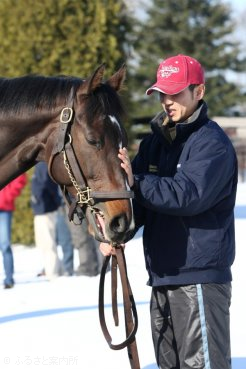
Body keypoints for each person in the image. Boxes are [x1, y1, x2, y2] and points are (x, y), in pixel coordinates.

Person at [100, 54, 238, 369]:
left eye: (175, 92)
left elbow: (188, 195)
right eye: (163, 92)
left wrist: (138, 182)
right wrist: (116, 229)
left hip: (199, 278)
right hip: (162, 275)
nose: (167, 100)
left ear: (198, 92)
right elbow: (135, 201)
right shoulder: (153, 145)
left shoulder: (211, 144)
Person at [31, 162, 74, 280]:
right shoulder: (39, 165)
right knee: (44, 243)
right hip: (41, 209)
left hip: (46, 209)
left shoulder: (42, 165)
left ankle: (53, 272)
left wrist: (50, 202)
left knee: (49, 243)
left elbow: (49, 186)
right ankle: (53, 269)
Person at [0, 174, 27, 289]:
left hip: (4, 209)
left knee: (5, 245)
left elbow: (20, 178)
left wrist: (6, 198)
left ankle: (9, 279)